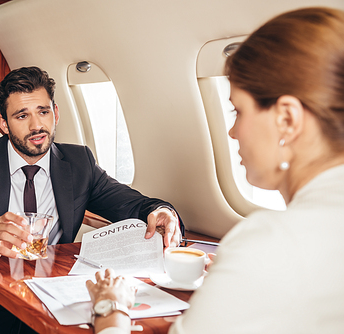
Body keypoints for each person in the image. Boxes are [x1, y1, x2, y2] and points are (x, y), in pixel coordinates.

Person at [87, 7, 344, 334]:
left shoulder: (273, 242)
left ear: (287, 119)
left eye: (239, 111)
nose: (233, 132)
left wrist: (111, 309)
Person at [0, 66, 184, 334]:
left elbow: (133, 204)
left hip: (40, 294)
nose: (36, 125)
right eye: (22, 115)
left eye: (43, 112)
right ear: (4, 123)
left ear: (55, 113)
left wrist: (162, 212)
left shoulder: (78, 162)